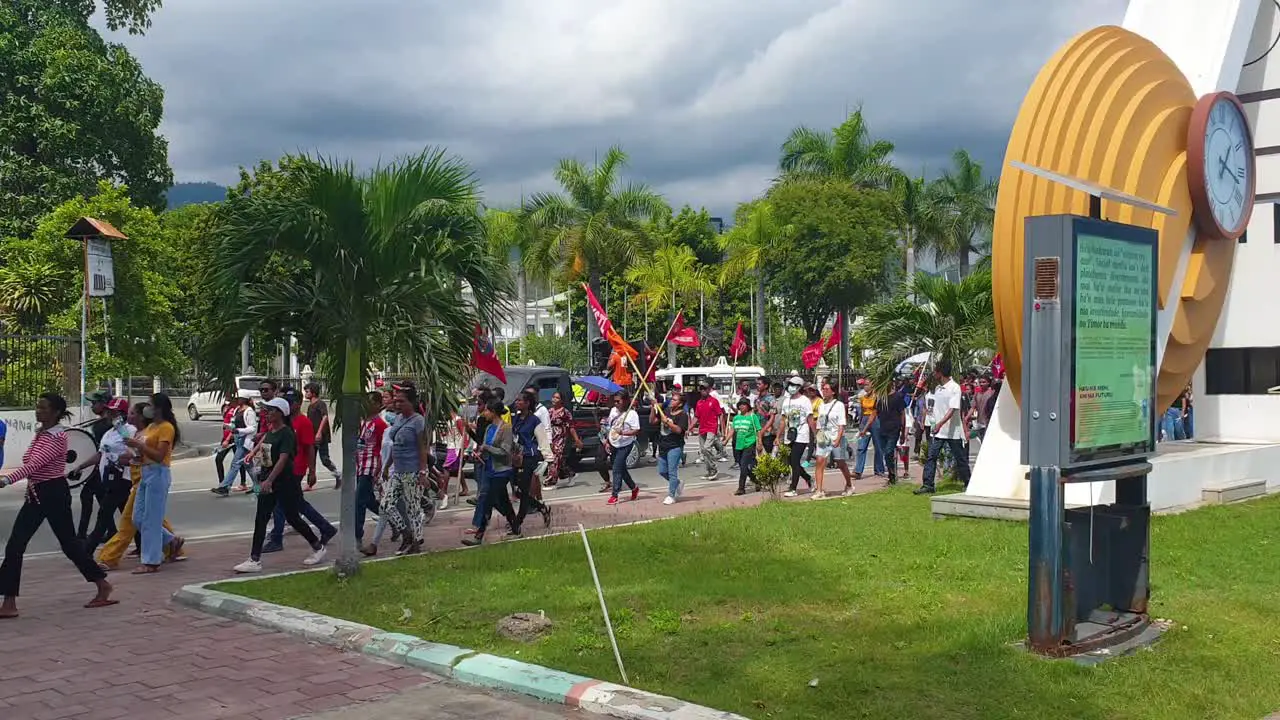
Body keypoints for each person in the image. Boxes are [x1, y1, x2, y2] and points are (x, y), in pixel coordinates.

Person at [0, 393, 116, 617]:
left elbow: (33, 465)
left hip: (53, 494)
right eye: (37, 407)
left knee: (69, 545)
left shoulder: (57, 437)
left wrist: (6, 480)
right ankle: (9, 601)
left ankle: (102, 584)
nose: (38, 411)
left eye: (43, 408)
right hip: (37, 494)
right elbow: (31, 461)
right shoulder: (42, 434)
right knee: (15, 545)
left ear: (55, 412)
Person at [233, 398, 327, 573]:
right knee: (261, 517)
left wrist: (270, 480)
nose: (266, 413)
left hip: (285, 482)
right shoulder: (272, 430)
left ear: (280, 413)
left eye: (270, 410)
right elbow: (265, 444)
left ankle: (318, 547)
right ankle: (254, 559)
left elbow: (283, 459)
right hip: (268, 479)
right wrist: (253, 455)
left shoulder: (287, 434)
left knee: (293, 518)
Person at [263, 389, 337, 553]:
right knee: (297, 504)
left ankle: (276, 538)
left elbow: (309, 447)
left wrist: (312, 470)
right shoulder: (285, 421)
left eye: (290, 402)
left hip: (295, 468)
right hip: (283, 468)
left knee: (280, 505)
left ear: (297, 403)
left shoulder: (303, 422)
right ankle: (326, 528)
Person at [122, 393, 185, 574]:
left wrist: (139, 445)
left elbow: (159, 455)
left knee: (151, 519)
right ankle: (170, 540)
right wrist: (135, 453)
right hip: (145, 471)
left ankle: (151, 561)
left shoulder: (166, 428)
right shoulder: (150, 427)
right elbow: (145, 453)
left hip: (158, 473)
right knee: (138, 517)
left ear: (158, 408)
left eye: (150, 405)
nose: (147, 408)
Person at [79, 398, 135, 557]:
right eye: (108, 411)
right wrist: (80, 467)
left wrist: (117, 458)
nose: (109, 414)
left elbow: (133, 452)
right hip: (109, 479)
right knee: (132, 515)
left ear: (122, 414)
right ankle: (162, 542)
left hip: (123, 478)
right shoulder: (109, 434)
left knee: (104, 514)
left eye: (113, 412)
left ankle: (87, 551)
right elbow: (100, 454)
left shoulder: (130, 430)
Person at [462, 399, 520, 546]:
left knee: (487, 501)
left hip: (501, 471)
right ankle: (515, 526)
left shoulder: (505, 428)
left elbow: (505, 451)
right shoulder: (489, 428)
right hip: (489, 469)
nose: (485, 413)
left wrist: (487, 448)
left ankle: (479, 535)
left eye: (487, 410)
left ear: (493, 412)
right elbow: (484, 445)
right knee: (502, 502)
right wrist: (481, 452)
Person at [385, 385, 428, 555]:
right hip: (398, 470)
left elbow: (422, 448)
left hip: (413, 470)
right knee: (386, 505)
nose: (397, 404)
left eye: (401, 401)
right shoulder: (398, 419)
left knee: (413, 508)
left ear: (412, 402)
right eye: (396, 401)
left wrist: (423, 472)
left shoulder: (417, 421)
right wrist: (387, 465)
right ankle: (406, 533)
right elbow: (394, 445)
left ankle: (416, 541)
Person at [916, 360, 971, 494]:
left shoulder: (954, 388)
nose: (934, 373)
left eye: (935, 371)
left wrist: (940, 424)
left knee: (960, 458)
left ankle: (968, 482)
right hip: (938, 432)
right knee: (931, 456)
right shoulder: (937, 389)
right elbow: (933, 407)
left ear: (940, 373)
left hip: (952, 432)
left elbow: (952, 409)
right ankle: (928, 484)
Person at [77, 390, 115, 541]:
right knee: (102, 498)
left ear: (104, 404)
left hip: (106, 469)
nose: (92, 406)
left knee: (88, 496)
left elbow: (101, 451)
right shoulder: (103, 423)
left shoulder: (103, 426)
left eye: (95, 403)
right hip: (105, 468)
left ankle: (82, 535)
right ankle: (111, 530)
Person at [511, 392, 553, 529]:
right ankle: (541, 507)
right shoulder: (516, 419)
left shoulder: (534, 421)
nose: (517, 403)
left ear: (528, 403)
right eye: (516, 400)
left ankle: (518, 522)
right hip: (517, 457)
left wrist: (548, 458)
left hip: (530, 457)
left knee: (523, 490)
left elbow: (542, 439)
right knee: (517, 490)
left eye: (520, 400)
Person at [355, 392, 389, 555]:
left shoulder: (379, 424)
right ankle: (392, 519)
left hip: (371, 465)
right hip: (360, 465)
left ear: (377, 404)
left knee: (359, 501)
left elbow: (382, 448)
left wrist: (379, 468)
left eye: (370, 402)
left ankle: (357, 535)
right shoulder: (364, 422)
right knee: (368, 500)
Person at [812, 380, 849, 499]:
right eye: (823, 389)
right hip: (823, 437)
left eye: (827, 389)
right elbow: (819, 422)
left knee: (840, 462)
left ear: (833, 392)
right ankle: (819, 490)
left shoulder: (839, 405)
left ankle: (849, 484)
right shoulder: (821, 405)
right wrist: (817, 436)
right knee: (819, 461)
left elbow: (841, 424)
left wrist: (838, 438)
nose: (824, 391)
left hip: (835, 436)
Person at [213, 396, 256, 495]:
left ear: (244, 399)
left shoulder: (249, 411)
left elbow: (252, 428)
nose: (237, 400)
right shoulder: (237, 410)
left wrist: (239, 430)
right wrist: (229, 427)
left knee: (235, 464)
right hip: (238, 439)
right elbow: (234, 424)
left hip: (245, 441)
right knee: (248, 465)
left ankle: (225, 487)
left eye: (239, 398)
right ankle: (258, 485)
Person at [652, 389, 688, 505]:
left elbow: (678, 430)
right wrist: (653, 408)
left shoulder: (683, 415)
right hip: (662, 445)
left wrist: (668, 423)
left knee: (672, 472)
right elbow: (652, 421)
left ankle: (671, 495)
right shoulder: (666, 411)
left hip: (675, 446)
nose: (672, 401)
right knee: (662, 471)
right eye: (671, 399)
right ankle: (677, 483)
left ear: (680, 403)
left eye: (674, 399)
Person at [780, 376, 815, 497]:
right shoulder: (786, 401)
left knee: (795, 460)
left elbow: (810, 418)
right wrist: (778, 436)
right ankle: (808, 478)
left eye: (794, 385)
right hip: (790, 434)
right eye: (790, 384)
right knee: (790, 461)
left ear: (799, 387)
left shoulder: (805, 400)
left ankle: (793, 488)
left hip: (802, 434)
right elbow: (783, 420)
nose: (791, 387)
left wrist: (815, 434)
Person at [605, 391, 640, 505]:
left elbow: (636, 430)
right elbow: (610, 426)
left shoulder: (632, 414)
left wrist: (624, 432)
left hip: (625, 444)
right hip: (614, 442)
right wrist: (607, 440)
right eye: (614, 401)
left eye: (618, 401)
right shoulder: (613, 411)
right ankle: (634, 487)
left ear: (625, 401)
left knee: (616, 468)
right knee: (621, 468)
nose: (615, 404)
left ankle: (615, 494)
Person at [304, 382, 341, 488]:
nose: (306, 393)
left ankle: (337, 474)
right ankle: (310, 483)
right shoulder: (310, 406)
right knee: (311, 459)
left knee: (324, 459)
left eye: (307, 391)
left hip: (321, 436)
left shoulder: (320, 404)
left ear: (313, 392)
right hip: (312, 435)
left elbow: (325, 417)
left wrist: (319, 432)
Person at [545, 391, 582, 488]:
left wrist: (576, 440)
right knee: (559, 460)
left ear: (561, 400)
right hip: (551, 437)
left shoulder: (565, 412)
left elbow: (571, 427)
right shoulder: (549, 411)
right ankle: (571, 474)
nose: (554, 399)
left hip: (560, 437)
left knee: (555, 457)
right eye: (553, 397)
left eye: (557, 398)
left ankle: (551, 481)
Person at [728, 397, 762, 496]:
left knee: (743, 466)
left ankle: (741, 488)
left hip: (749, 444)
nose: (741, 406)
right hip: (738, 445)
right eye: (740, 404)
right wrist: (726, 439)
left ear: (748, 406)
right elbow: (733, 430)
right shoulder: (736, 418)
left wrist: (759, 442)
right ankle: (756, 480)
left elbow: (758, 430)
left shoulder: (753, 417)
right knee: (741, 465)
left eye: (744, 404)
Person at [875, 382, 908, 486]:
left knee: (889, 451)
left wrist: (903, 432)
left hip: (894, 429)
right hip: (883, 429)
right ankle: (891, 475)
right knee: (886, 453)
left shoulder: (897, 397)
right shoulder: (880, 398)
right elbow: (876, 413)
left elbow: (902, 413)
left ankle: (892, 474)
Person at [693, 384, 727, 480]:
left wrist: (722, 429)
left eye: (705, 389)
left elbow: (720, 414)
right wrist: (690, 428)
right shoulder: (699, 402)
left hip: (712, 428)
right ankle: (710, 471)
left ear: (709, 390)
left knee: (707, 448)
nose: (703, 391)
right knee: (703, 450)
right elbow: (696, 417)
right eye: (701, 389)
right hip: (702, 428)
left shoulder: (714, 401)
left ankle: (714, 468)